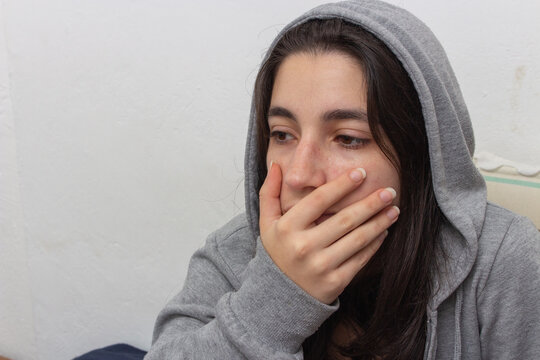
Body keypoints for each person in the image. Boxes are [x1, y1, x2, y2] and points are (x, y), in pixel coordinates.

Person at [145, 1, 540, 359]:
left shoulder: (505, 261)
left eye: (348, 138)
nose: (299, 176)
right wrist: (275, 302)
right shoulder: (232, 253)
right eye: (282, 134)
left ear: (423, 154)